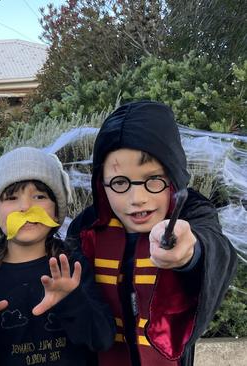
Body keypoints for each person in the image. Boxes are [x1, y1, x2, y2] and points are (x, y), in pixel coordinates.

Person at [66, 101, 238, 365]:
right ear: (101, 185)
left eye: (153, 180)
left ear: (173, 178)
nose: (137, 198)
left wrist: (190, 254)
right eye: (120, 182)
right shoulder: (87, 228)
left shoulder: (192, 213)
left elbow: (216, 247)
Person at [0, 147, 115, 365]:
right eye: (11, 197)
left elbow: (102, 340)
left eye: (39, 196)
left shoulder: (71, 265)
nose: (25, 207)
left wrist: (73, 300)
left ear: (57, 209)